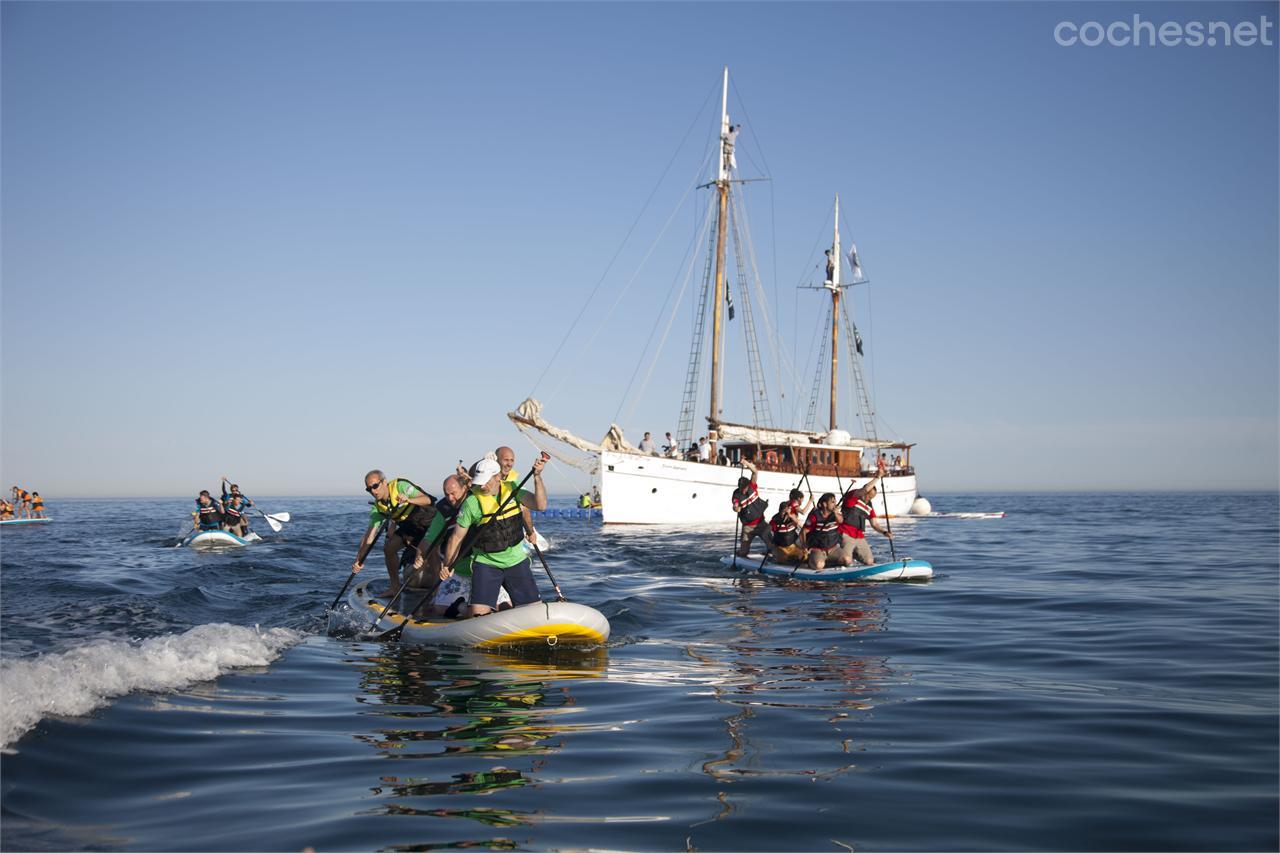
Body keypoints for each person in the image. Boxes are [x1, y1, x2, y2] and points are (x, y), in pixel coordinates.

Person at [442, 455, 548, 618]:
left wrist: (537, 476)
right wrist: (447, 565)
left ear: (498, 477)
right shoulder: (472, 503)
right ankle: (462, 608)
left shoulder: (513, 489)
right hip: (486, 564)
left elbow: (540, 505)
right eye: (480, 480)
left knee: (533, 612)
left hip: (516, 561)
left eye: (486, 480)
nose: (482, 485)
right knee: (477, 617)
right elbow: (456, 538)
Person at [351, 470, 437, 600]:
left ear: (384, 482)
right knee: (389, 548)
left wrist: (409, 499)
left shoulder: (400, 486)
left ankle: (438, 591)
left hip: (429, 520)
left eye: (375, 486)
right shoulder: (378, 507)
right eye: (369, 489)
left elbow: (428, 499)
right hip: (410, 527)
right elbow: (370, 535)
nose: (373, 491)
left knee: (432, 554)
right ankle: (395, 588)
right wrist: (359, 559)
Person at [839, 483, 893, 566]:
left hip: (859, 536)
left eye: (872, 497)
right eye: (869, 495)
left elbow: (874, 524)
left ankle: (854, 555)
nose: (869, 499)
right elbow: (865, 489)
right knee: (847, 561)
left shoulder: (869, 507)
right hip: (846, 533)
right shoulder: (853, 497)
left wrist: (884, 532)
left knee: (869, 561)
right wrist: (878, 477)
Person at [495, 446, 540, 547]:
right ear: (496, 460)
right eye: (506, 460)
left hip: (511, 544)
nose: (509, 464)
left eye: (512, 460)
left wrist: (530, 532)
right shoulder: (484, 482)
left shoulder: (514, 483)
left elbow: (525, 509)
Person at [732, 461, 772, 557]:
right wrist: (737, 508)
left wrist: (745, 463)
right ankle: (741, 553)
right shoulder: (736, 495)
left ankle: (771, 554)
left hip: (761, 523)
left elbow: (755, 472)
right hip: (748, 527)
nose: (743, 490)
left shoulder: (752, 486)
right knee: (743, 553)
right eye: (741, 489)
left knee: (772, 546)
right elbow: (735, 506)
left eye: (745, 488)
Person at [804, 493, 845, 570]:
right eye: (832, 502)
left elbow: (841, 521)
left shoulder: (836, 514)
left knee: (847, 560)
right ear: (825, 504)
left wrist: (836, 513)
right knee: (818, 566)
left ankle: (827, 561)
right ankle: (811, 561)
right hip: (818, 548)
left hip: (833, 548)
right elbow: (804, 532)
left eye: (835, 502)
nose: (835, 504)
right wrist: (805, 547)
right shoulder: (814, 516)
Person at [769, 488, 810, 564]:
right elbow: (769, 533)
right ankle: (776, 554)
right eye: (783, 512)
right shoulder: (775, 520)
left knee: (804, 557)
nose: (785, 515)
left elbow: (800, 524)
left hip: (791, 544)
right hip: (780, 546)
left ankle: (796, 555)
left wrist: (792, 518)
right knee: (783, 560)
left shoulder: (791, 515)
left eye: (786, 512)